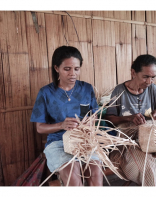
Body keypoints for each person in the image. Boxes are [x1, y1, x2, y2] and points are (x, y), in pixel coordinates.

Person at [105, 54, 156, 186]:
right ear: (133, 72)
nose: (149, 81)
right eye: (145, 77)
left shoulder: (152, 89)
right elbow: (109, 119)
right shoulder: (119, 91)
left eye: (153, 77)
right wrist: (129, 117)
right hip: (128, 139)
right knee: (148, 165)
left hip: (153, 135)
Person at [30, 46, 103, 186]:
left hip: (84, 141)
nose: (73, 74)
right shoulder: (46, 93)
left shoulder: (87, 88)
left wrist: (90, 122)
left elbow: (95, 116)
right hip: (58, 143)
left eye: (76, 69)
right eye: (67, 69)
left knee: (95, 171)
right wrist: (61, 125)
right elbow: (39, 128)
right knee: (72, 174)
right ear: (57, 68)